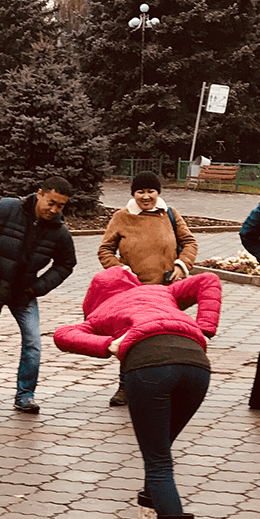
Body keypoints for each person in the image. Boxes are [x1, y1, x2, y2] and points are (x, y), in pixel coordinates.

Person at [54, 266, 221, 519]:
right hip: (197, 364)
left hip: (149, 365)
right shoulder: (162, 291)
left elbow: (62, 334)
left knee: (158, 462)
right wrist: (205, 326)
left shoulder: (102, 310)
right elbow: (208, 280)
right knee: (159, 454)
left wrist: (108, 345)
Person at [0, 176, 77, 413]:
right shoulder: (6, 208)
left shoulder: (60, 232)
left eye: (61, 206)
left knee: (33, 343)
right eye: (52, 202)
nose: (54, 210)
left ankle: (25, 395)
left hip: (23, 294)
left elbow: (66, 264)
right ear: (39, 194)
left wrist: (38, 287)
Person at [98, 170, 198, 406]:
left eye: (150, 191)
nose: (145, 196)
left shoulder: (170, 215)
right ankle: (125, 386)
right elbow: (105, 250)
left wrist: (182, 265)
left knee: (167, 338)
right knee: (130, 339)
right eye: (140, 192)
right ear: (133, 194)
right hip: (134, 292)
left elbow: (190, 242)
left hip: (167, 290)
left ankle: (165, 386)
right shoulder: (121, 217)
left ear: (158, 192)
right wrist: (123, 272)